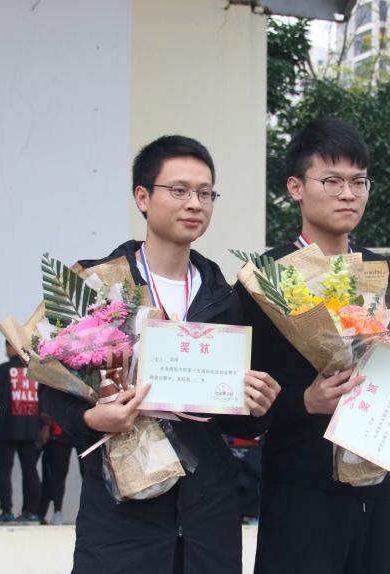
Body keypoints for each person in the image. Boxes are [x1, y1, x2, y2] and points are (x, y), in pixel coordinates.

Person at [37, 135, 281, 574]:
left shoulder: (226, 299)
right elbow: (52, 392)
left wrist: (258, 406)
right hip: (121, 520)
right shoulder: (97, 289)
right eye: (180, 190)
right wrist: (93, 419)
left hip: (207, 523)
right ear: (143, 197)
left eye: (205, 193)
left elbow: (233, 417)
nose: (195, 203)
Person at [236, 118, 390, 574]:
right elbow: (237, 400)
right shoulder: (268, 276)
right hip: (301, 491)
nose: (348, 194)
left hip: (376, 486)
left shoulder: (378, 271)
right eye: (332, 181)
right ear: (296, 187)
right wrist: (303, 401)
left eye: (359, 182)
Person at [0, 341, 43, 524]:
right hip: (31, 428)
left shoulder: (1, 370)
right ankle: (31, 512)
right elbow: (45, 400)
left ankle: (6, 511)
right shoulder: (38, 371)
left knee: (4, 470)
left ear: (11, 347)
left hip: (7, 427)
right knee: (30, 470)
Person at [37, 415, 77, 525]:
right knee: (55, 474)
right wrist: (46, 426)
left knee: (88, 472)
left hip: (80, 429)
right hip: (59, 433)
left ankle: (94, 512)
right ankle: (55, 511)